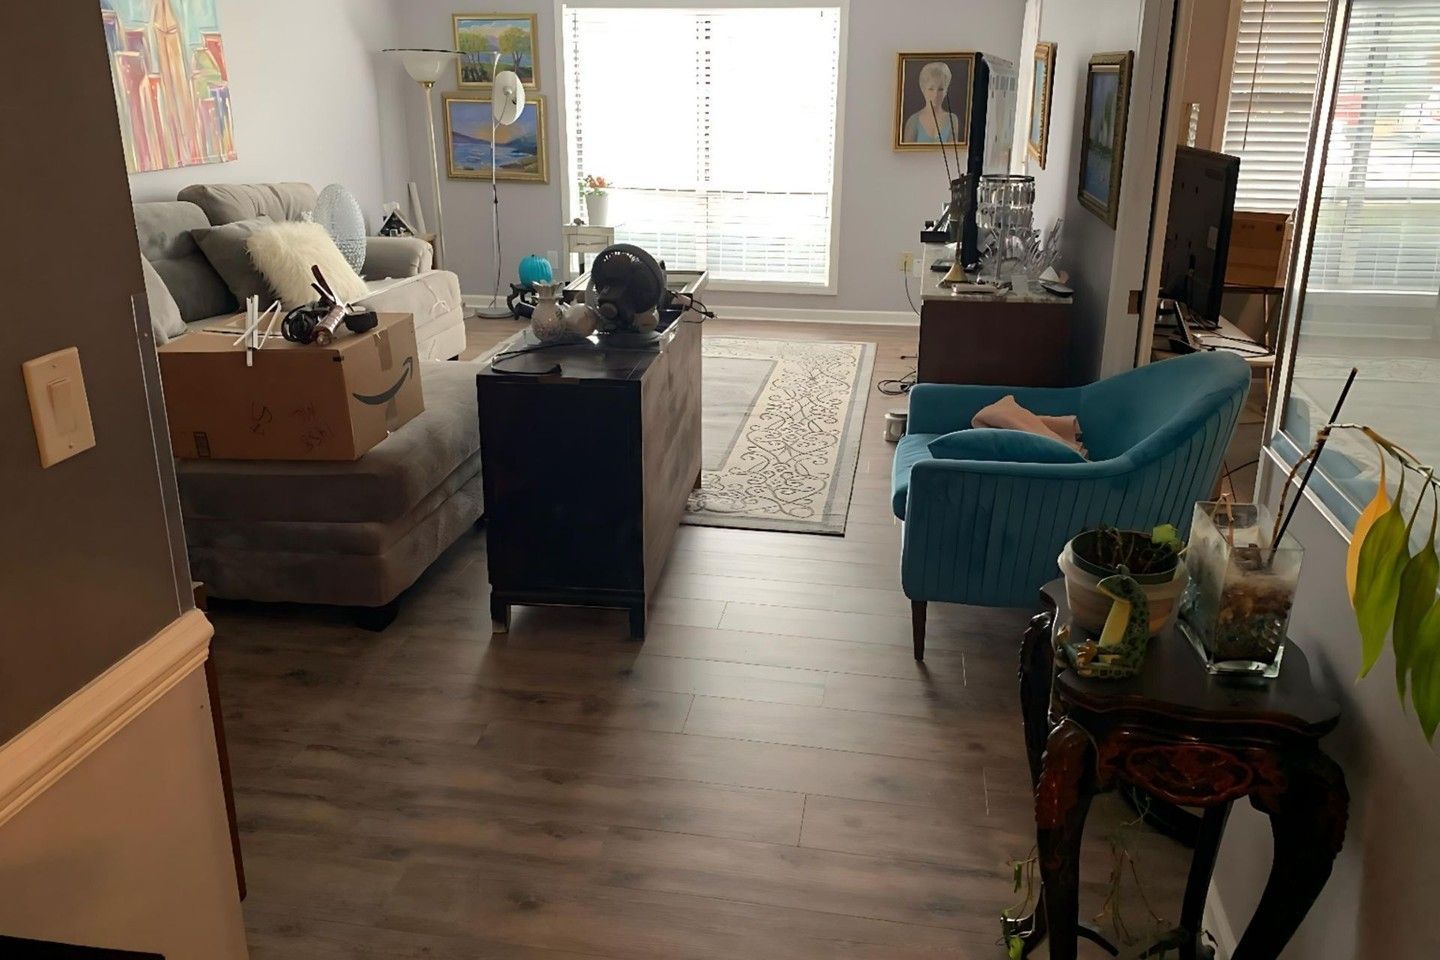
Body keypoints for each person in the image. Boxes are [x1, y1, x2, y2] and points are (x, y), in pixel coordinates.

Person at [903, 61, 963, 144]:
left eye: (941, 89)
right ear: (923, 89)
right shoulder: (913, 121)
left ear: (946, 91)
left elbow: (952, 153)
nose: (936, 94)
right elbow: (905, 155)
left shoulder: (952, 120)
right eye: (931, 89)